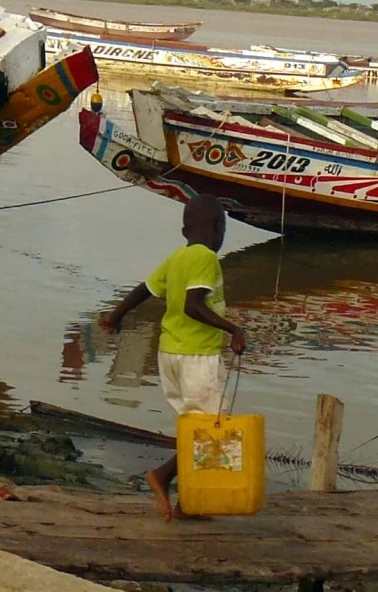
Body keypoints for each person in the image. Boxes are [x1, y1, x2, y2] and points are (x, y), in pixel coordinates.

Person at [102, 194, 248, 522]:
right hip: (196, 358)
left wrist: (115, 315)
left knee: (194, 427)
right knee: (213, 429)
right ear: (218, 228)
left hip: (169, 355)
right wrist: (233, 329)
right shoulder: (206, 259)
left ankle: (189, 503)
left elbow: (146, 289)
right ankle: (163, 477)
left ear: (185, 231)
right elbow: (192, 306)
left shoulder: (177, 258)